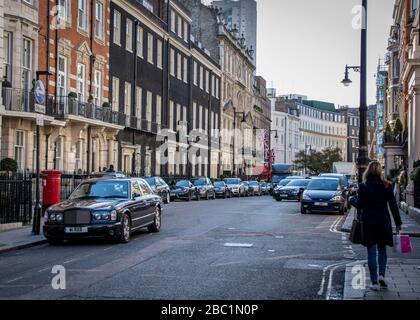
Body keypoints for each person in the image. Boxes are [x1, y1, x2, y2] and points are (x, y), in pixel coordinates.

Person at [352, 161, 403, 291]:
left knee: (371, 251)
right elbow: (393, 206)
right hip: (383, 222)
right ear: (380, 171)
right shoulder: (387, 185)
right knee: (382, 250)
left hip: (369, 222)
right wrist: (398, 223)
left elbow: (359, 205)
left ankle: (374, 282)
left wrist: (351, 200)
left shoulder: (363, 186)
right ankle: (382, 275)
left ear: (368, 171)